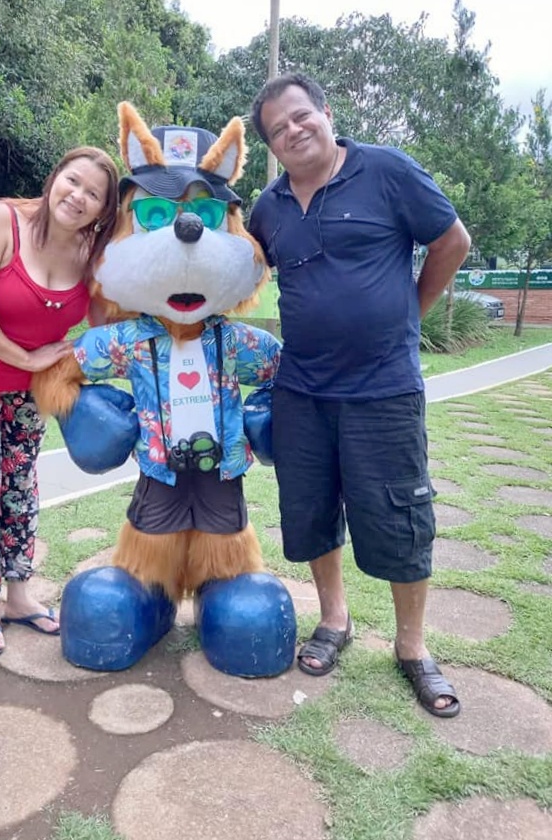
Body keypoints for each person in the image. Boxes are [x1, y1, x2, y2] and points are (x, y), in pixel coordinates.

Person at [248, 73, 471, 718]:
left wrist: (409, 312)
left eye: (300, 116)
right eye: (278, 130)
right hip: (301, 390)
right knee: (311, 509)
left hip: (383, 389)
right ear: (272, 146)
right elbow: (237, 268)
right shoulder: (268, 208)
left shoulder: (387, 171)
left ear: (325, 111)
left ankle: (412, 647)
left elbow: (452, 241)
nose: (293, 131)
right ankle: (335, 619)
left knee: (401, 516)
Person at [0, 146, 119, 659]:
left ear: (104, 210)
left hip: (28, 387)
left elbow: (105, 327)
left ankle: (18, 594)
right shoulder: (1, 220)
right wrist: (28, 359)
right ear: (54, 178)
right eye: (72, 181)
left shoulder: (91, 254)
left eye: (93, 194)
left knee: (19, 483)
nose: (77, 196)